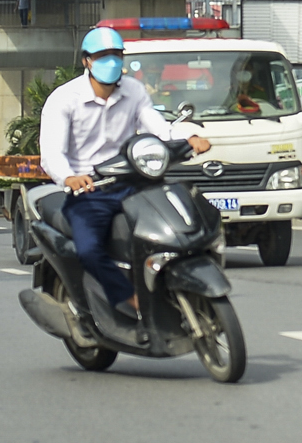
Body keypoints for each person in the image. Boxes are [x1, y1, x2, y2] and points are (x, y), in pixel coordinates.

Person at [40, 27, 212, 320]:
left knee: (177, 228)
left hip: (133, 182)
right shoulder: (64, 99)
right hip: (89, 190)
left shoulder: (133, 90)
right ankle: (126, 298)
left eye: (117, 56)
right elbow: (52, 153)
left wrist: (189, 141)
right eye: (103, 56)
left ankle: (172, 284)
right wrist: (70, 178)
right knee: (90, 251)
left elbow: (158, 129)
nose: (111, 62)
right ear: (87, 61)